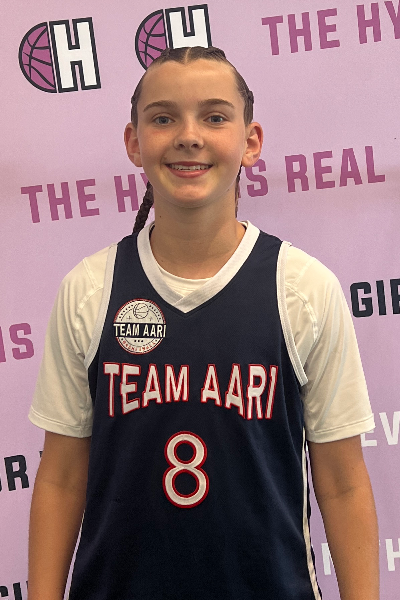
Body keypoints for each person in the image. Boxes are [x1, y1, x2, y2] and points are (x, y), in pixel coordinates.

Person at [28, 46, 379, 600]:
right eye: (163, 118)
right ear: (134, 142)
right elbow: (62, 476)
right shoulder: (89, 289)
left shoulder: (303, 289)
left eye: (214, 117)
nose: (188, 136)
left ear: (251, 141)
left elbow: (342, 483)